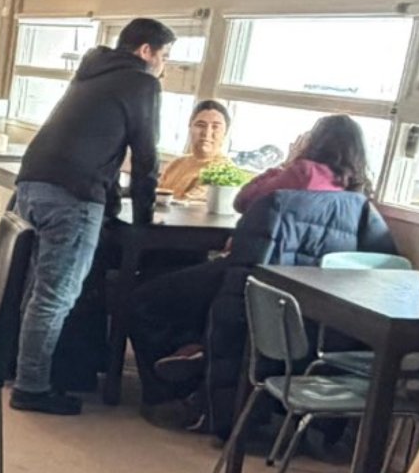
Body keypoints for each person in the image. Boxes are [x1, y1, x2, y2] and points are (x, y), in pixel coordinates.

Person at [134, 114, 380, 402]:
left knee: (144, 300)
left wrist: (287, 162)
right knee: (197, 295)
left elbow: (245, 199)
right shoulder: (358, 196)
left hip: (253, 275)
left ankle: (168, 392)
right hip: (303, 295)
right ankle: (197, 356)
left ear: (316, 142)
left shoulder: (302, 171)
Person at [9, 17, 174, 416]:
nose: (164, 67)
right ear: (146, 51)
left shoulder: (91, 72)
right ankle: (32, 387)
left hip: (32, 184)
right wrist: (144, 218)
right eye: (165, 56)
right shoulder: (141, 82)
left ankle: (21, 370)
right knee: (55, 295)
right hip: (73, 195)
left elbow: (97, 142)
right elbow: (146, 157)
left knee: (38, 290)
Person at [157, 99, 232, 200]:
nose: (207, 133)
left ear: (225, 132)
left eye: (215, 127)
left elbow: (188, 204)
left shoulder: (222, 171)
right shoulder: (177, 163)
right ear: (190, 127)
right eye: (200, 125)